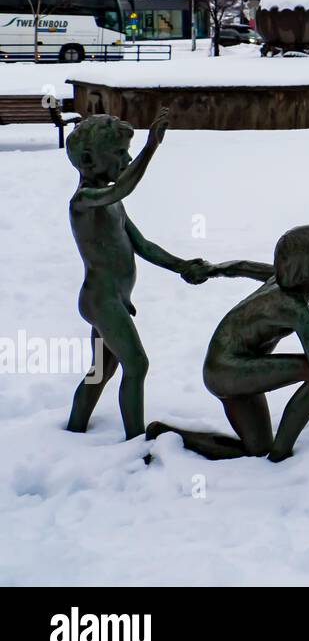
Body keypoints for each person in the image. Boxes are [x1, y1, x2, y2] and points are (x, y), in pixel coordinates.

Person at [145, 225, 309, 461]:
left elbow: (242, 266)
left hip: (230, 368)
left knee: (255, 449)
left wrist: (212, 270)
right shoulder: (295, 310)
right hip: (227, 370)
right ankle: (280, 457)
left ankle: (167, 434)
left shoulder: (280, 279)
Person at [65, 109, 210, 440]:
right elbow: (122, 190)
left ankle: (74, 429)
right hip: (101, 299)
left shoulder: (113, 203)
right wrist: (150, 148)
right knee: (137, 365)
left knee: (101, 370)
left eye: (127, 152)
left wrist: (182, 265)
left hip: (115, 299)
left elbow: (143, 245)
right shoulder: (86, 200)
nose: (126, 160)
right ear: (88, 160)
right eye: (119, 154)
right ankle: (135, 440)